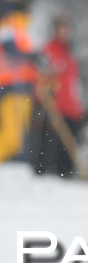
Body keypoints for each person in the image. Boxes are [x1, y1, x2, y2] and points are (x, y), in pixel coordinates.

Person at [32, 13, 84, 177]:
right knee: (46, 140)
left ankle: (65, 174)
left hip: (70, 106)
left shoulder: (70, 52)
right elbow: (41, 75)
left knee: (69, 143)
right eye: (61, 28)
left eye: (67, 29)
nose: (64, 32)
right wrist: (44, 95)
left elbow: (73, 81)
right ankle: (41, 173)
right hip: (51, 104)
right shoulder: (48, 50)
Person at [0, 0, 37, 163]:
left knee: (19, 139)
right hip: (12, 86)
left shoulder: (22, 28)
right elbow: (11, 52)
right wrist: (32, 58)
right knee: (12, 139)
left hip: (22, 87)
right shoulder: (9, 26)